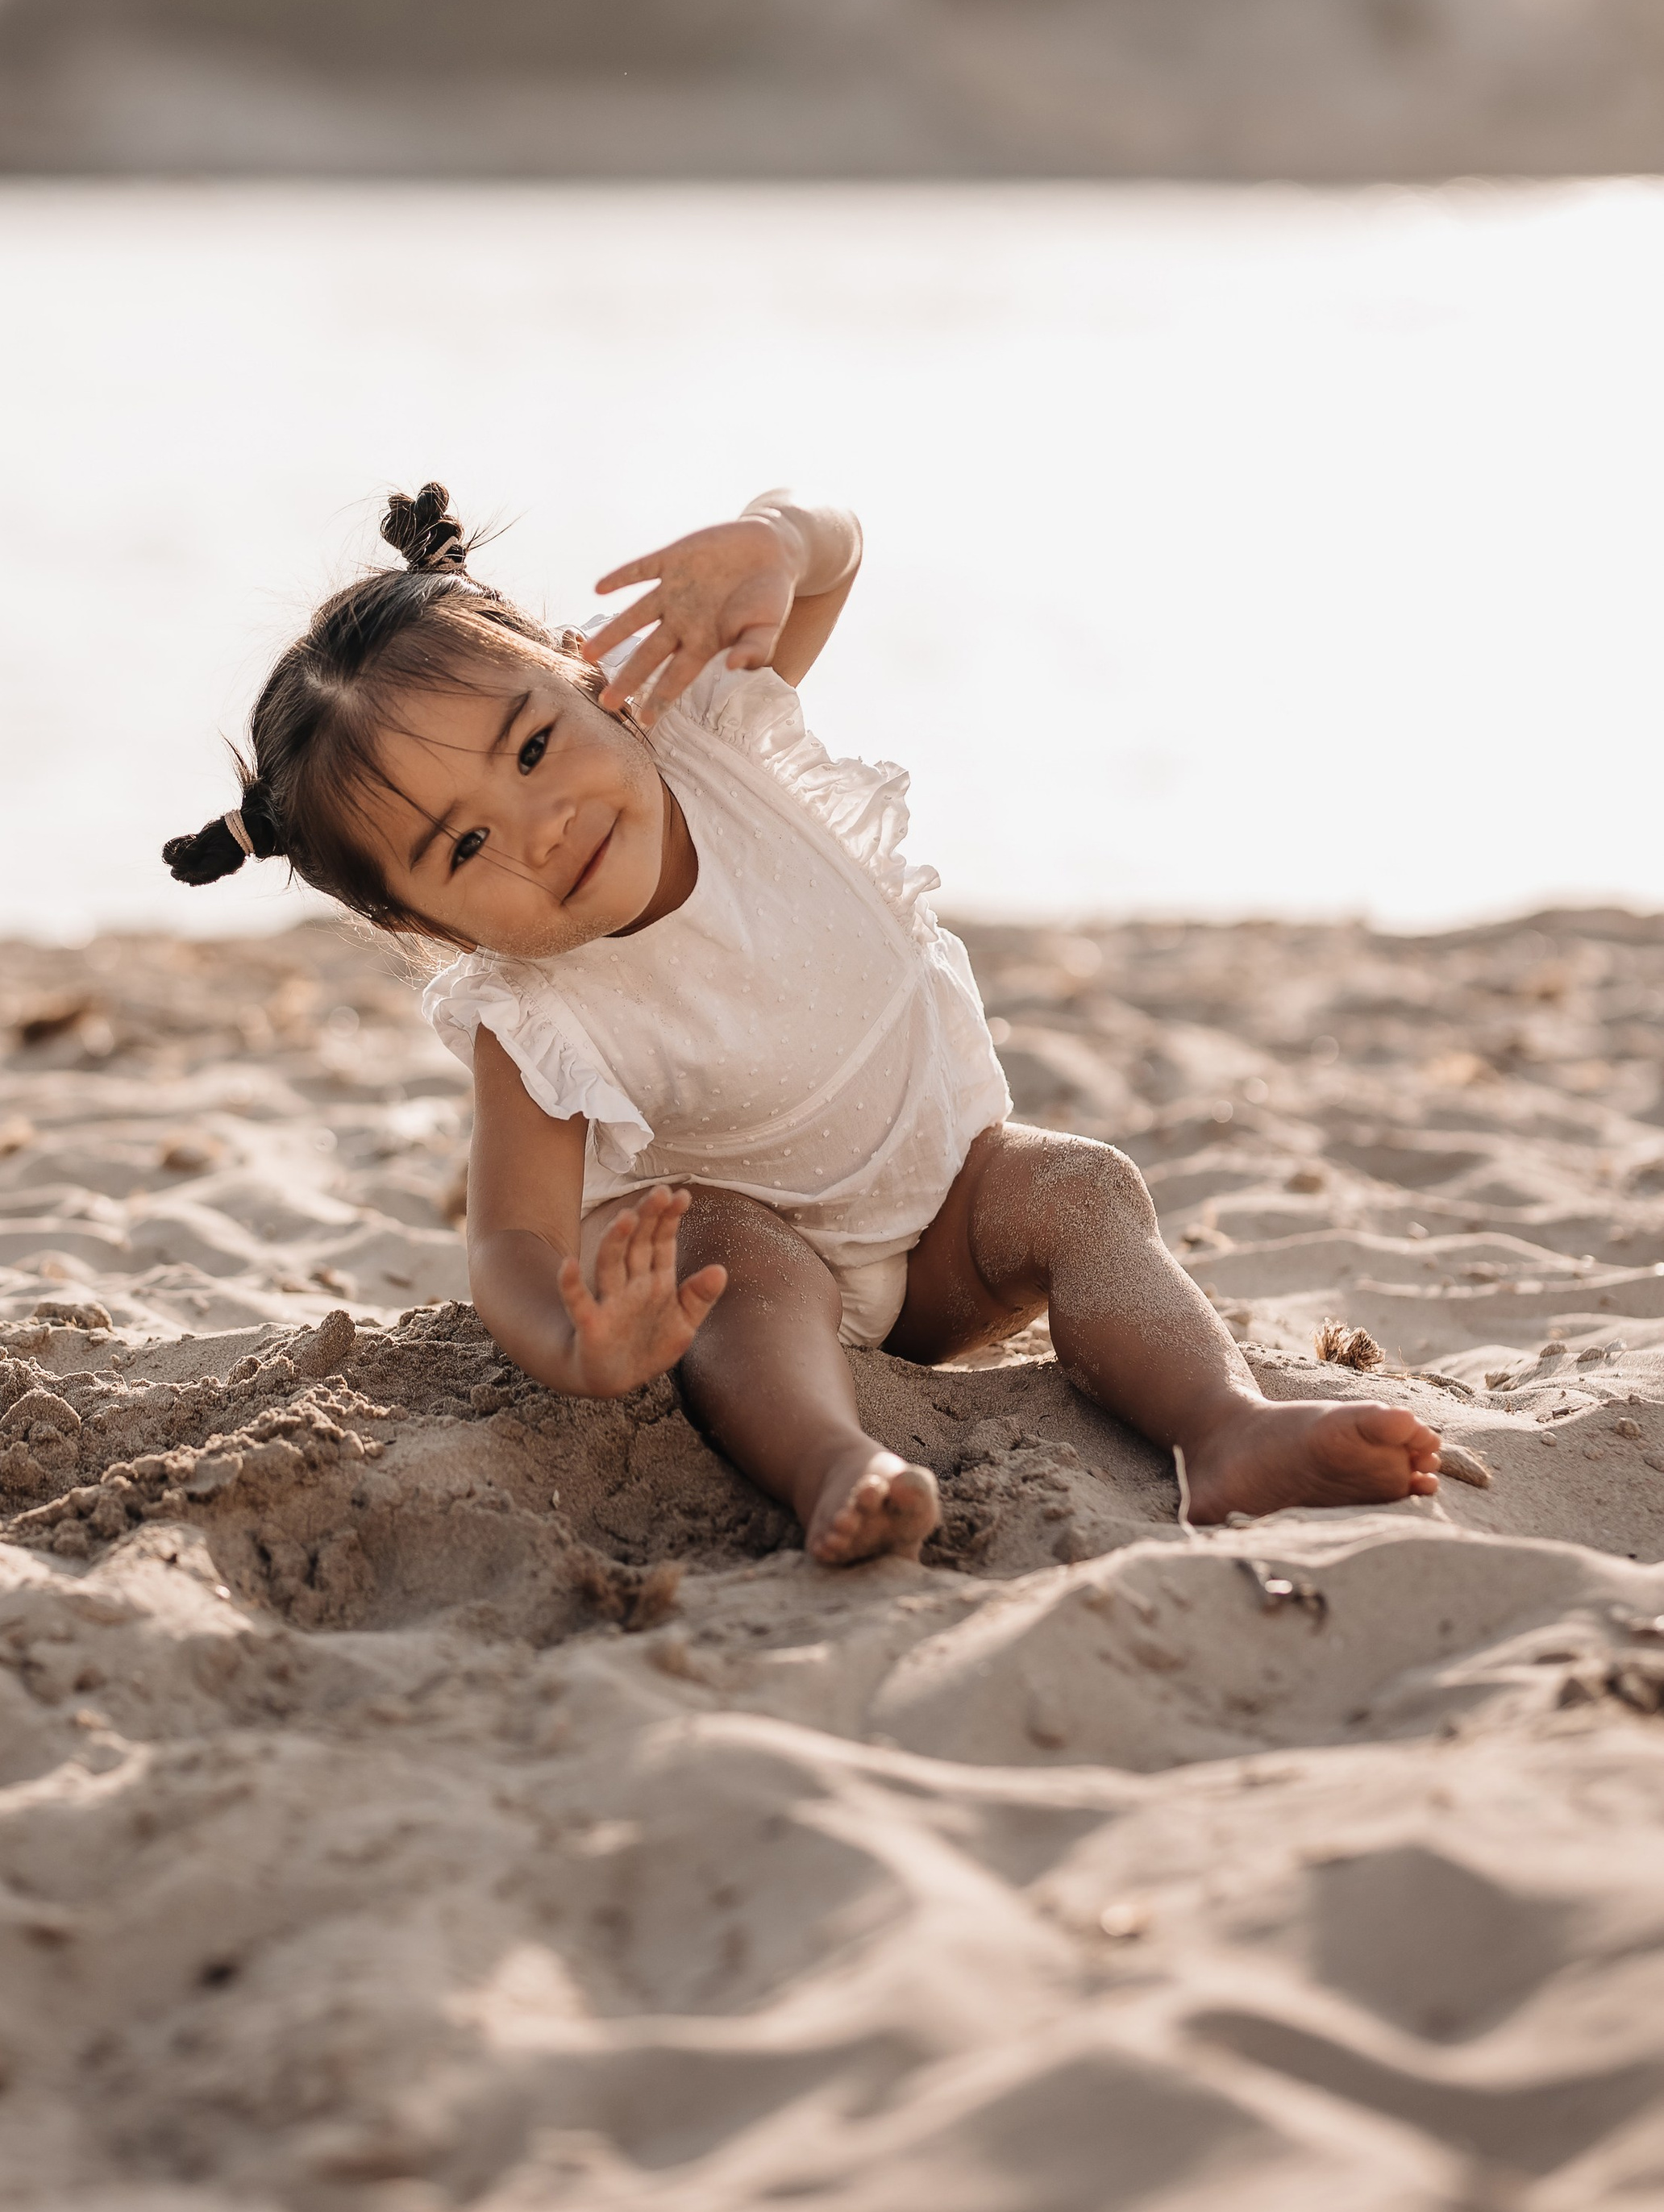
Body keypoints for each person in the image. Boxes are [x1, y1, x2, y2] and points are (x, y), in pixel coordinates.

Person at [164, 484, 1441, 1566]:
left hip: (951, 1223)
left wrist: (777, 536)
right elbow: (508, 1237)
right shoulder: (534, 1019)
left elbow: (834, 562)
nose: (539, 822)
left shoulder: (717, 729)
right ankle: (836, 1462)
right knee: (728, 1250)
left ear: (593, 674)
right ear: (423, 928)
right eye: (469, 844)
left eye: (534, 747)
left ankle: (1225, 1429)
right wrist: (573, 1339)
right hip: (781, 1287)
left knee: (1083, 1186)